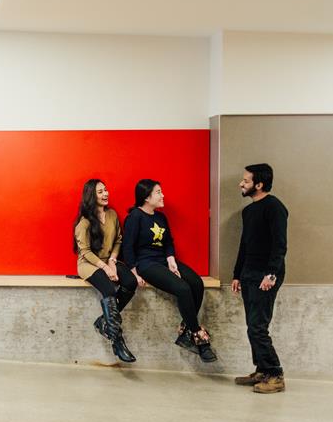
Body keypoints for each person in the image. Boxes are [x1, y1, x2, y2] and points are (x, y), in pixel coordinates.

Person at [122, 179, 217, 362]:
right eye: (158, 192)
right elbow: (128, 247)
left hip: (163, 260)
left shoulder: (160, 217)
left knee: (196, 283)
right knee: (182, 289)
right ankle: (197, 336)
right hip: (146, 264)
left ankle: (187, 329)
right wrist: (134, 272)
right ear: (147, 197)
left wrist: (171, 259)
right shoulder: (135, 217)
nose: (163, 195)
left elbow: (168, 242)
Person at [231, 164, 288, 394]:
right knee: (252, 326)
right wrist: (237, 274)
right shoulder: (248, 211)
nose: (241, 184)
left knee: (258, 327)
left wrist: (271, 273)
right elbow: (244, 245)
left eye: (245, 180)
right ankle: (262, 370)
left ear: (259, 184)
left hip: (267, 274)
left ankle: (275, 374)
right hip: (249, 273)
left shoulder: (274, 207)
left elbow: (280, 244)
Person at [74, 179, 137, 362]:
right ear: (91, 196)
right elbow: (84, 252)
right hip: (88, 263)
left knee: (131, 282)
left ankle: (103, 321)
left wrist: (112, 260)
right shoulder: (84, 222)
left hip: (108, 260)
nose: (106, 194)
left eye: (106, 190)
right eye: (100, 192)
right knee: (109, 289)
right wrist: (104, 267)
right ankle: (117, 340)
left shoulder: (112, 215)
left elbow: (118, 240)